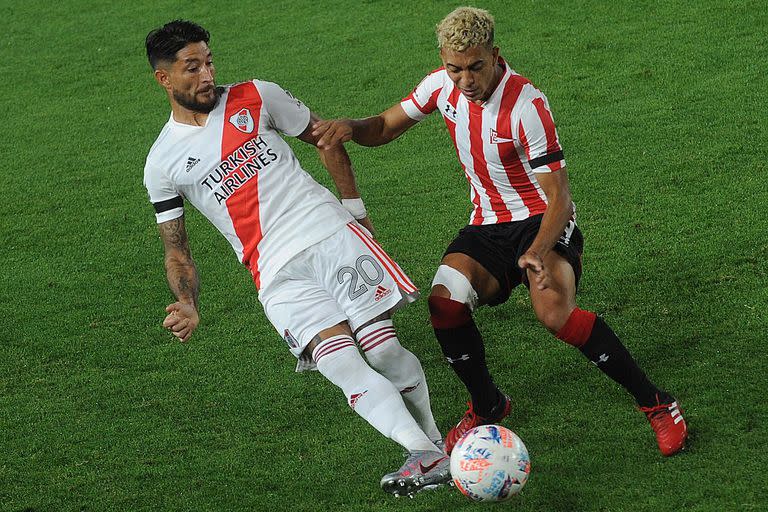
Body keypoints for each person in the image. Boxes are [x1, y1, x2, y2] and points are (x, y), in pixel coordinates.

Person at [313, 6, 688, 457]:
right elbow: (384, 127)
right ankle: (487, 404)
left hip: (541, 222)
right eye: (455, 69)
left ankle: (657, 403)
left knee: (556, 315)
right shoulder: (441, 87)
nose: (465, 80)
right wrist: (349, 128)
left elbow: (559, 200)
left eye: (475, 67)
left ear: (495, 54)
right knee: (444, 303)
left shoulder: (527, 106)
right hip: (487, 224)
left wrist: (536, 251)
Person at [142, 20, 451, 496]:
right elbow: (176, 248)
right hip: (275, 276)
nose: (207, 75)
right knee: (341, 366)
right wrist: (187, 302)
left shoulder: (257, 95)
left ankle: (434, 441)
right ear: (164, 79)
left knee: (383, 348)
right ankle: (424, 452)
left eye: (209, 61)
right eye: (192, 67)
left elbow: (328, 139)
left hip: (329, 234)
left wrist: (356, 212)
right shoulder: (161, 163)